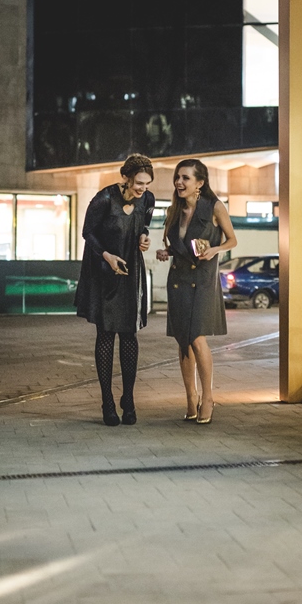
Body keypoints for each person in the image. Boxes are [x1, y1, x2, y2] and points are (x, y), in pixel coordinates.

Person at [74, 154, 155, 426]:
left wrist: (144, 237)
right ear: (127, 178)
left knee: (130, 334)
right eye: (139, 182)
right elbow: (87, 232)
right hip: (104, 271)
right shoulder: (104, 199)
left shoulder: (148, 199)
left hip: (130, 270)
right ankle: (107, 401)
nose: (142, 188)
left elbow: (144, 224)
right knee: (106, 334)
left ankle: (128, 399)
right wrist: (107, 256)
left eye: (146, 183)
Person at [156, 159, 237, 424]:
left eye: (185, 178)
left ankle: (209, 397)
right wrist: (165, 251)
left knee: (197, 338)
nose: (179, 182)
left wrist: (215, 249)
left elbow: (232, 239)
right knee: (183, 340)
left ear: (200, 183)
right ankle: (191, 398)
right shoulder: (174, 211)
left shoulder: (214, 207)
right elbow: (177, 246)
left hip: (202, 280)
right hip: (178, 279)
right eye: (177, 177)